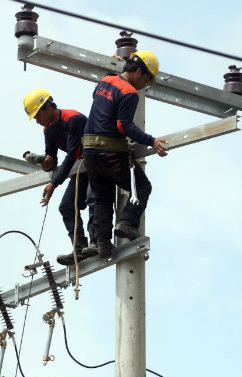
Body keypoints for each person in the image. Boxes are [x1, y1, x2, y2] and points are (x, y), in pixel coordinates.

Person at [82, 50, 168, 258]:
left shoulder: (105, 81)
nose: (144, 86)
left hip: (89, 154)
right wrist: (152, 140)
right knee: (142, 187)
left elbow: (98, 96)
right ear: (139, 71)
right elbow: (125, 127)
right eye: (146, 80)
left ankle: (103, 242)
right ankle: (126, 222)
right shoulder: (130, 93)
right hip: (109, 153)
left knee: (103, 197)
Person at [23, 89, 97, 265]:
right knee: (66, 206)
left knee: (94, 198)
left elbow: (72, 154)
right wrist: (48, 161)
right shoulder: (48, 130)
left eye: (37, 116)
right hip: (81, 168)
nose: (37, 121)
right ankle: (79, 248)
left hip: (96, 163)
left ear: (47, 106)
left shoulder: (73, 119)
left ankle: (96, 241)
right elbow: (53, 156)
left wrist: (54, 184)